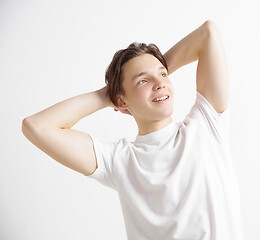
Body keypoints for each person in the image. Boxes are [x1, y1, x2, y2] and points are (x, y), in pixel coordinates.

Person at [22, 20, 244, 240]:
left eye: (164, 74)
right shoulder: (119, 160)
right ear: (121, 101)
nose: (160, 83)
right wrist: (107, 95)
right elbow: (37, 126)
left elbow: (208, 33)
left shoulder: (206, 124)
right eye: (143, 81)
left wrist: (153, 73)